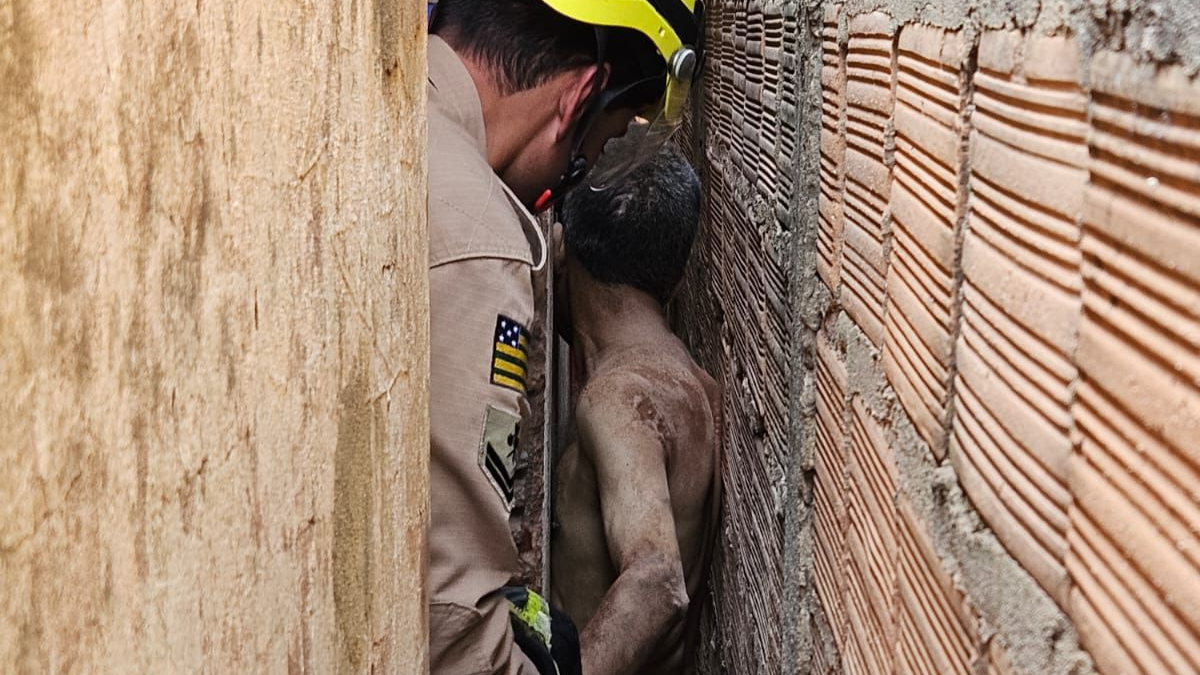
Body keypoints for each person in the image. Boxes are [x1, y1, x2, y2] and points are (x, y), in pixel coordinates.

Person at [424, 1, 705, 673]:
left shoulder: (383, 110)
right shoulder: (481, 242)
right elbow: (454, 632)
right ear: (580, 94)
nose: (569, 176)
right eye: (597, 145)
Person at [551, 145, 722, 675]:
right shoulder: (692, 382)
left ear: (565, 247)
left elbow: (656, 578)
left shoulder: (620, 399)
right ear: (671, 277)